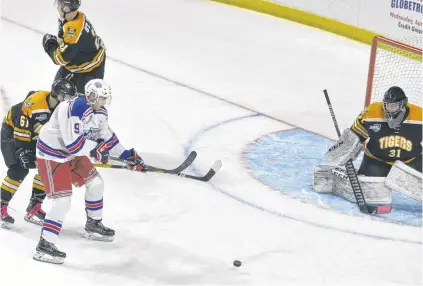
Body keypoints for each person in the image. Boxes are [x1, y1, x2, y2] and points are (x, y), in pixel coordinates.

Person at [33, 79, 145, 264]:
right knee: (62, 202)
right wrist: (96, 149)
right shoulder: (72, 109)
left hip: (72, 153)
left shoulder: (99, 111)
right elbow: (74, 144)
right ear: (91, 96)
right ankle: (45, 245)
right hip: (52, 156)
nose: (104, 102)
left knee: (96, 183)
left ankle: (93, 224)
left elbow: (106, 136)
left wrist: (127, 155)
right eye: (101, 98)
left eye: (105, 99)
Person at [0, 79, 77, 229]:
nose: (68, 101)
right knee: (19, 169)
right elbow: (21, 129)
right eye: (65, 97)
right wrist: (23, 150)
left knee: (46, 166)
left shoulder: (64, 109)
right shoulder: (34, 104)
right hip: (12, 133)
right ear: (57, 94)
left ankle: (34, 207)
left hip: (36, 136)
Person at [42, 0, 106, 93]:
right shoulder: (77, 16)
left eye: (60, 4)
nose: (58, 7)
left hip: (88, 70)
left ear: (66, 8)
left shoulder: (73, 30)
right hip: (84, 61)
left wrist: (49, 45)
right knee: (56, 94)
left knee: (71, 102)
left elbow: (60, 59)